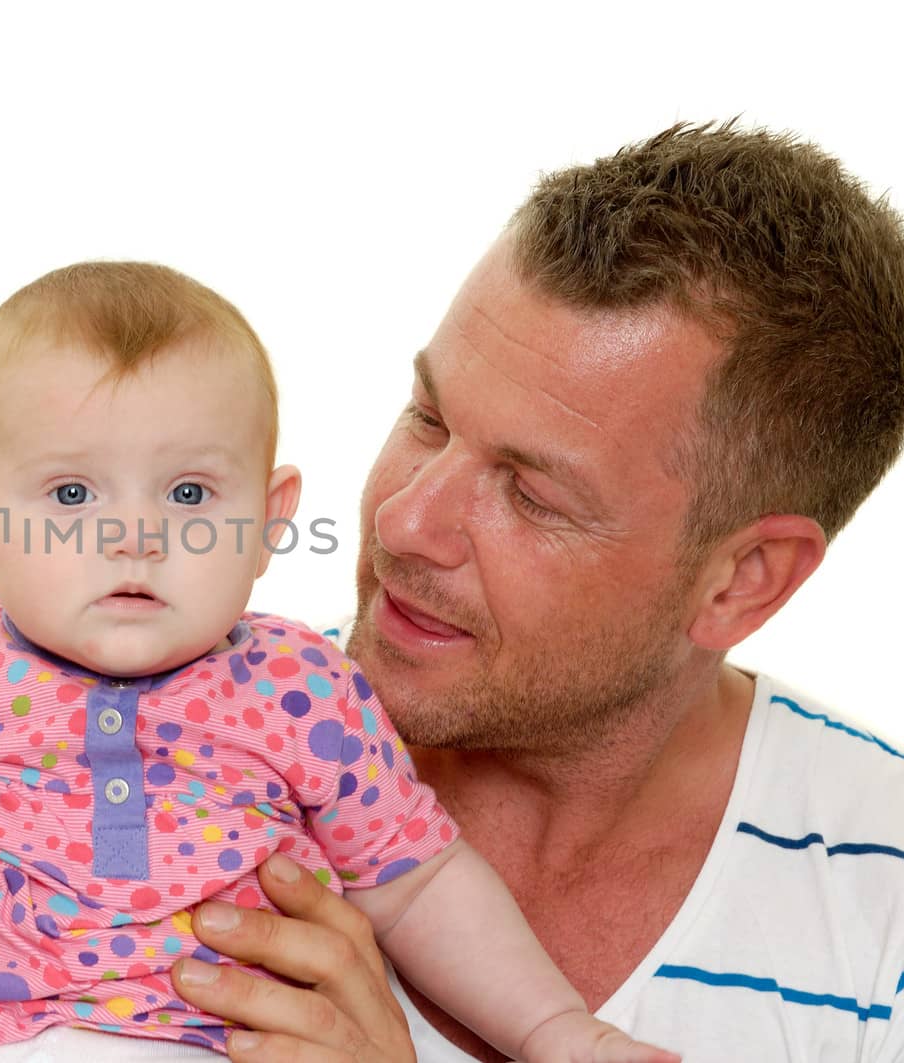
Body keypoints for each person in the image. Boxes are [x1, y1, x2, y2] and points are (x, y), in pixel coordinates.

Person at [0, 263, 678, 1062]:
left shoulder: (300, 688)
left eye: (191, 496)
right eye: (71, 496)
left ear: (268, 521)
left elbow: (417, 882)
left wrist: (555, 1030)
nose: (133, 538)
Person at [166, 122, 904, 1062]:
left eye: (531, 492)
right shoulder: (154, 737)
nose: (404, 521)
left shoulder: (883, 911)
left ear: (739, 583)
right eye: (428, 418)